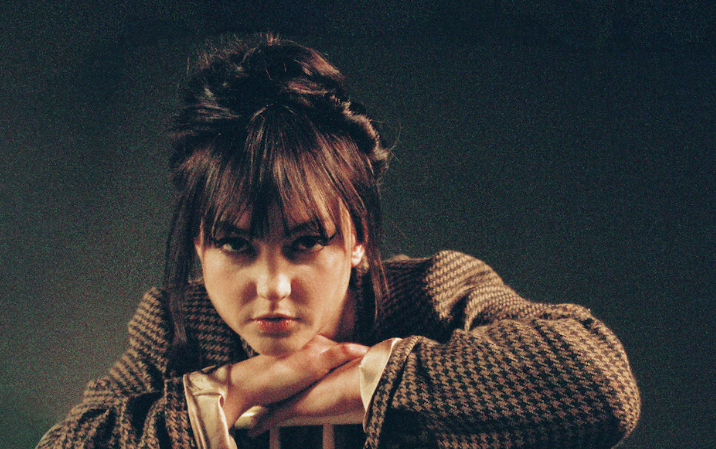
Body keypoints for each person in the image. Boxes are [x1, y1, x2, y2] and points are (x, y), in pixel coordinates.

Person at [37, 34, 640, 449]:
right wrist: (239, 388)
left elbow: (600, 384)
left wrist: (357, 385)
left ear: (358, 239)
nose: (272, 286)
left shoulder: (437, 293)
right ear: (199, 245)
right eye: (236, 245)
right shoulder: (179, 326)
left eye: (305, 242)